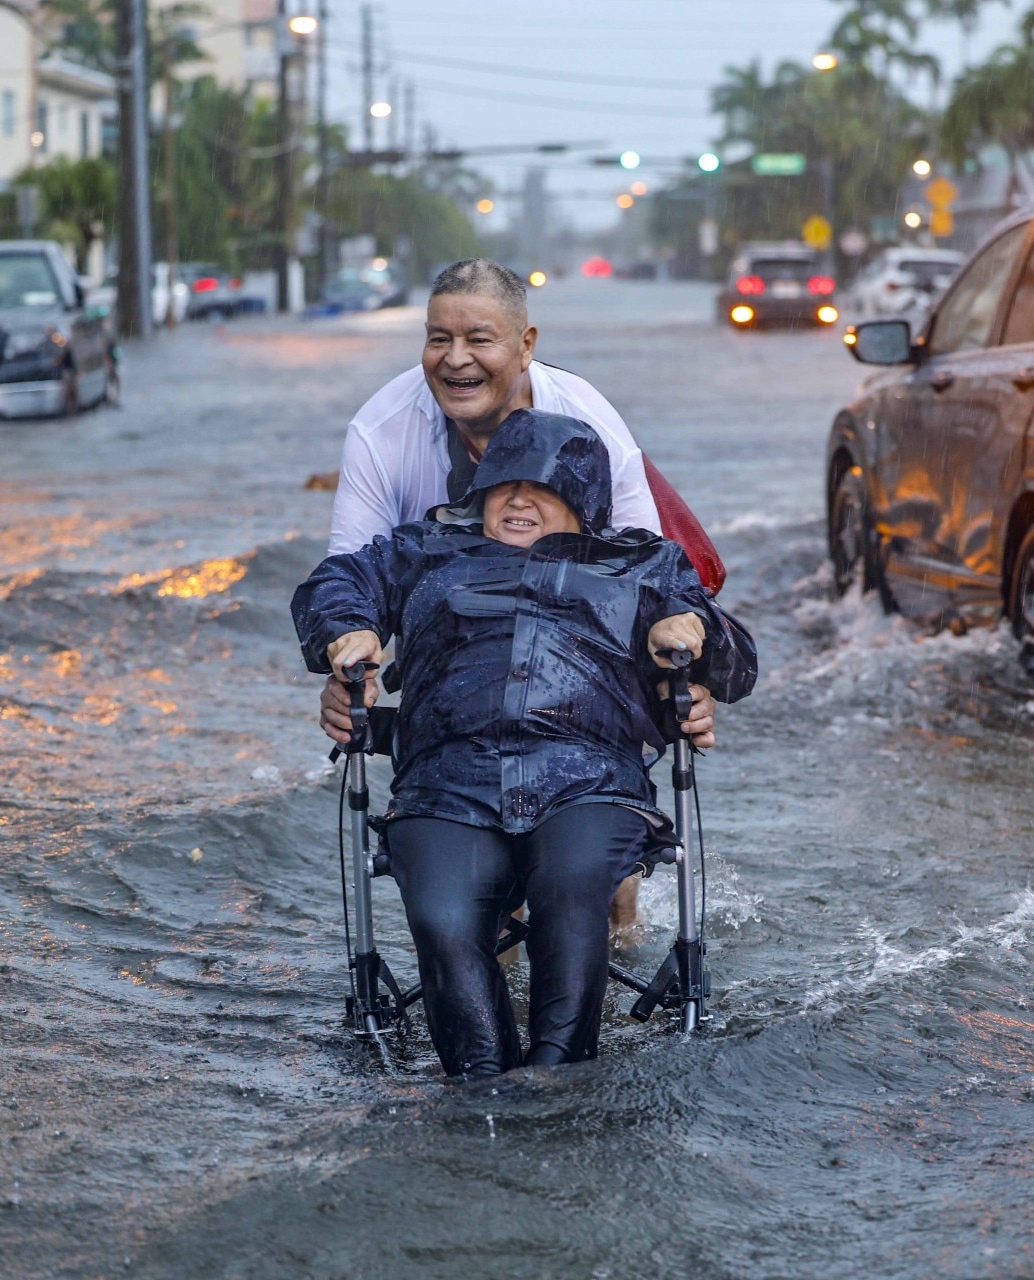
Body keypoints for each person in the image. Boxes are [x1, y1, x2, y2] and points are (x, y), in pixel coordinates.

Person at [292, 410, 757, 1076]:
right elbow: (336, 582)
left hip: (590, 781)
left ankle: (556, 1079)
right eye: (504, 485)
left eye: (543, 488)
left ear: (585, 502)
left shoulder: (644, 565)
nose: (518, 500)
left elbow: (739, 668)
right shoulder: (424, 551)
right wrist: (346, 629)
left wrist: (692, 628)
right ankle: (481, 1086)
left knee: (571, 890)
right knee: (444, 917)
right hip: (445, 782)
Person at [317, 257, 720, 752]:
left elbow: (646, 574)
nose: (455, 359)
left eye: (479, 340)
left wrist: (678, 678)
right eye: (439, 339)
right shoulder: (380, 431)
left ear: (526, 345)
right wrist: (348, 653)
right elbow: (350, 577)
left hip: (575, 681)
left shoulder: (588, 422)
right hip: (454, 670)